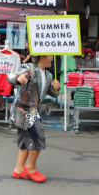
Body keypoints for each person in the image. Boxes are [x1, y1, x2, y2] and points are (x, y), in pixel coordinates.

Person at [8, 55, 60, 183]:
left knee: (25, 141)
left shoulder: (48, 75)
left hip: (34, 111)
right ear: (42, 57)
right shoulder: (28, 68)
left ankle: (18, 170)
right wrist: (18, 78)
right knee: (38, 137)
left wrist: (56, 87)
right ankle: (30, 168)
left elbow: (53, 93)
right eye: (50, 56)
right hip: (22, 110)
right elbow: (10, 78)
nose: (52, 58)